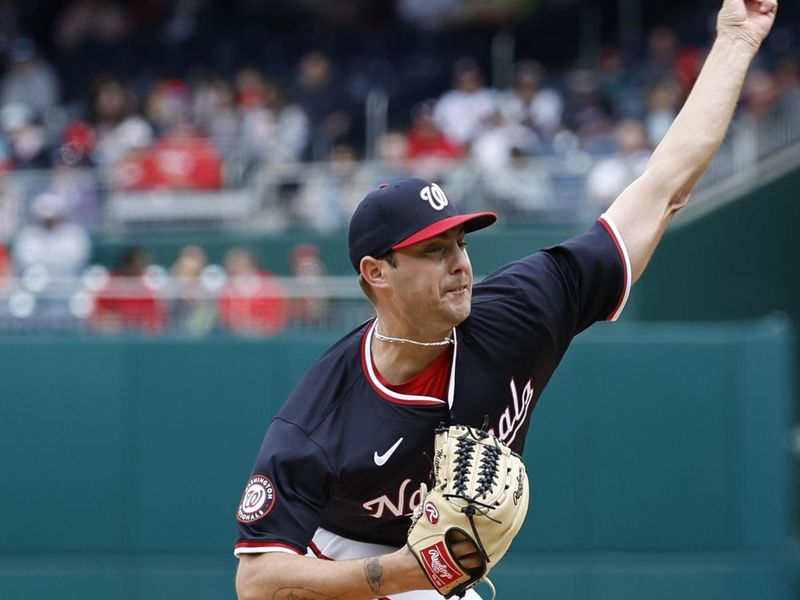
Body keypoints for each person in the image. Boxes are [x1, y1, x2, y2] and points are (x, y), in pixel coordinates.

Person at [234, 1, 778, 598]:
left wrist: (734, 41)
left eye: (460, 242)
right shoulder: (321, 415)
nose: (460, 263)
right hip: (337, 566)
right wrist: (400, 575)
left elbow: (660, 193)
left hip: (431, 570)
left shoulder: (522, 309)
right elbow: (257, 581)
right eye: (432, 250)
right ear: (377, 272)